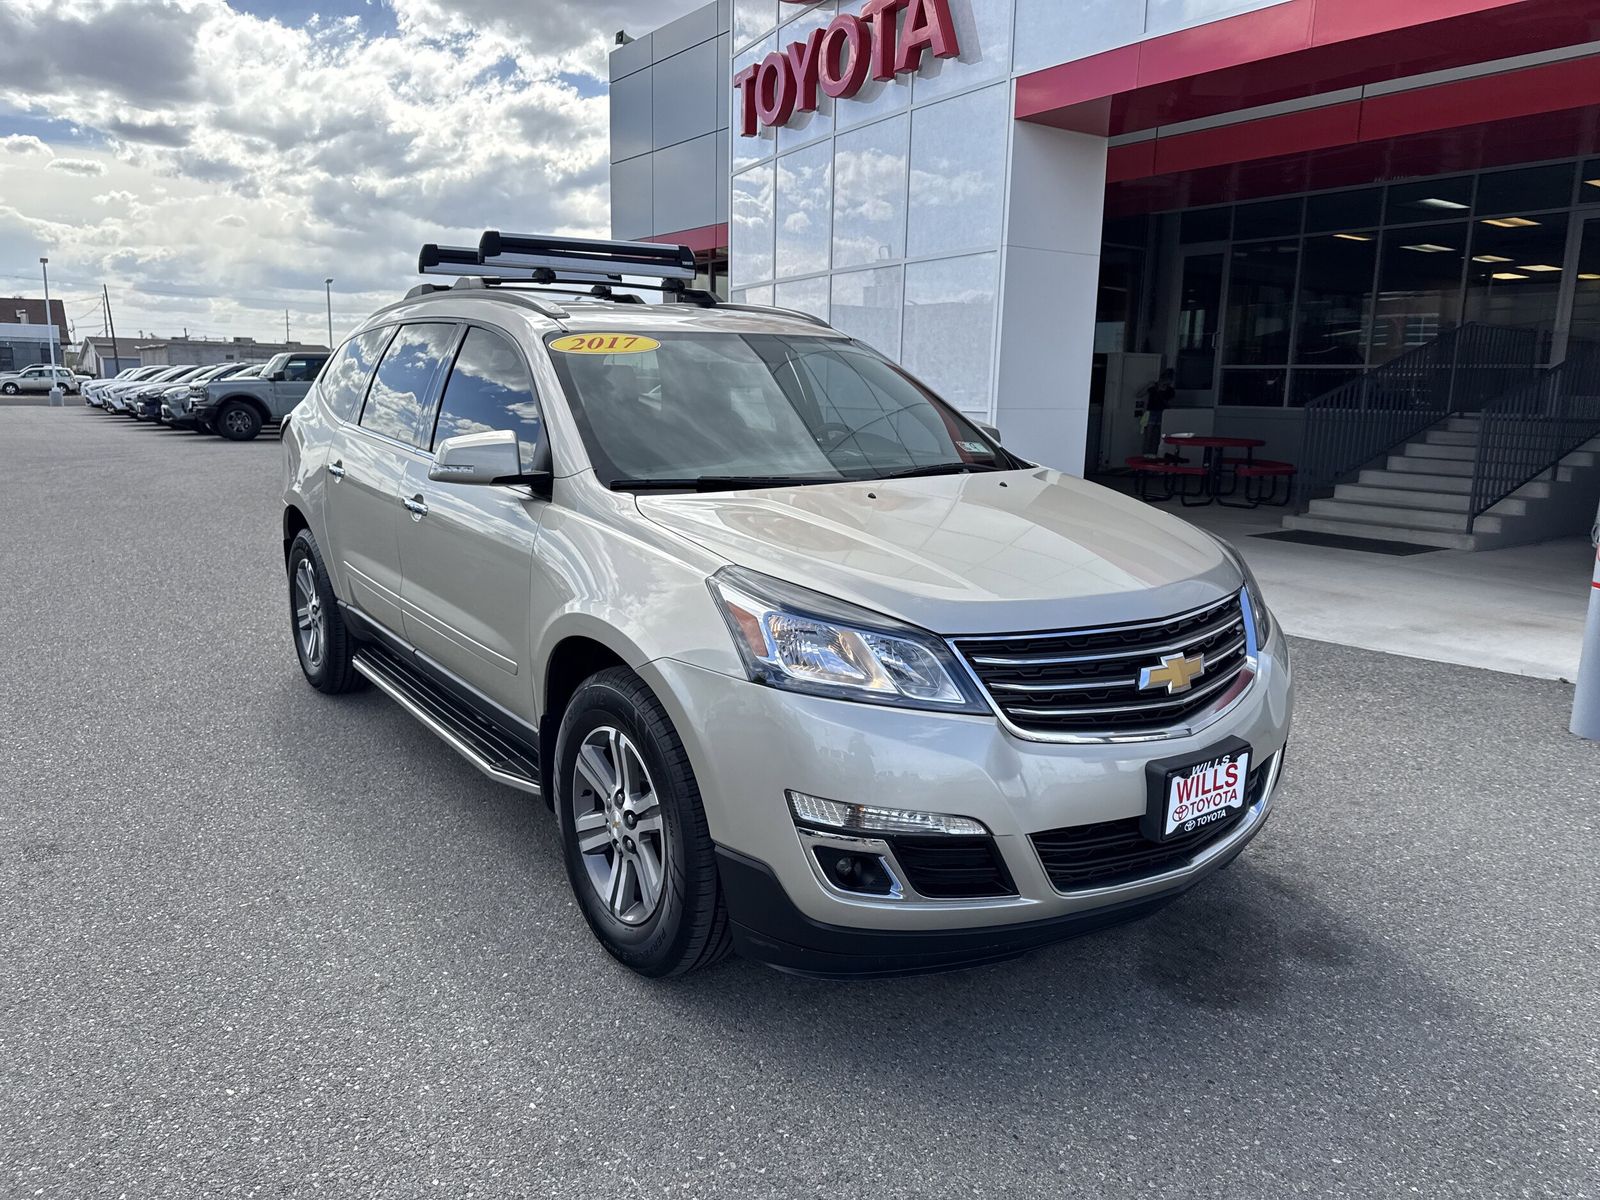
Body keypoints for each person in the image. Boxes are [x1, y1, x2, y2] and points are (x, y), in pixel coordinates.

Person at [1139, 368, 1176, 457]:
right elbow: (1139, 394)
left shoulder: (1170, 391)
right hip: (1152, 412)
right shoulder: (1153, 387)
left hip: (1162, 413)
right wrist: (1148, 386)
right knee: (1149, 435)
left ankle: (1154, 455)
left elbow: (1170, 404)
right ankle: (1146, 455)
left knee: (1158, 436)